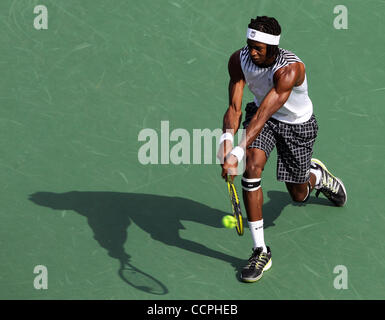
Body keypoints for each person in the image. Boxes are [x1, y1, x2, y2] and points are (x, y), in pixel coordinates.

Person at [217, 16, 347, 283]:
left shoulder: (289, 70)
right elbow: (234, 108)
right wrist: (226, 144)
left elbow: (265, 113)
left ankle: (317, 176)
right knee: (251, 171)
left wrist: (237, 152)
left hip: (295, 126)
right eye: (249, 45)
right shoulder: (238, 60)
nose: (251, 52)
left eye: (259, 49)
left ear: (273, 49)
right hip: (261, 121)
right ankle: (260, 251)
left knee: (299, 194)